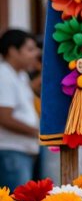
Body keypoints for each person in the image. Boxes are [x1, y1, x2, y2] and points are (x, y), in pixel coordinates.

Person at [0, 29, 41, 189]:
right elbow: (4, 117)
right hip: (12, 151)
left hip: (23, 150)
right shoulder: (4, 75)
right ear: (13, 51)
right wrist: (37, 132)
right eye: (30, 49)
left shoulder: (20, 75)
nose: (36, 53)